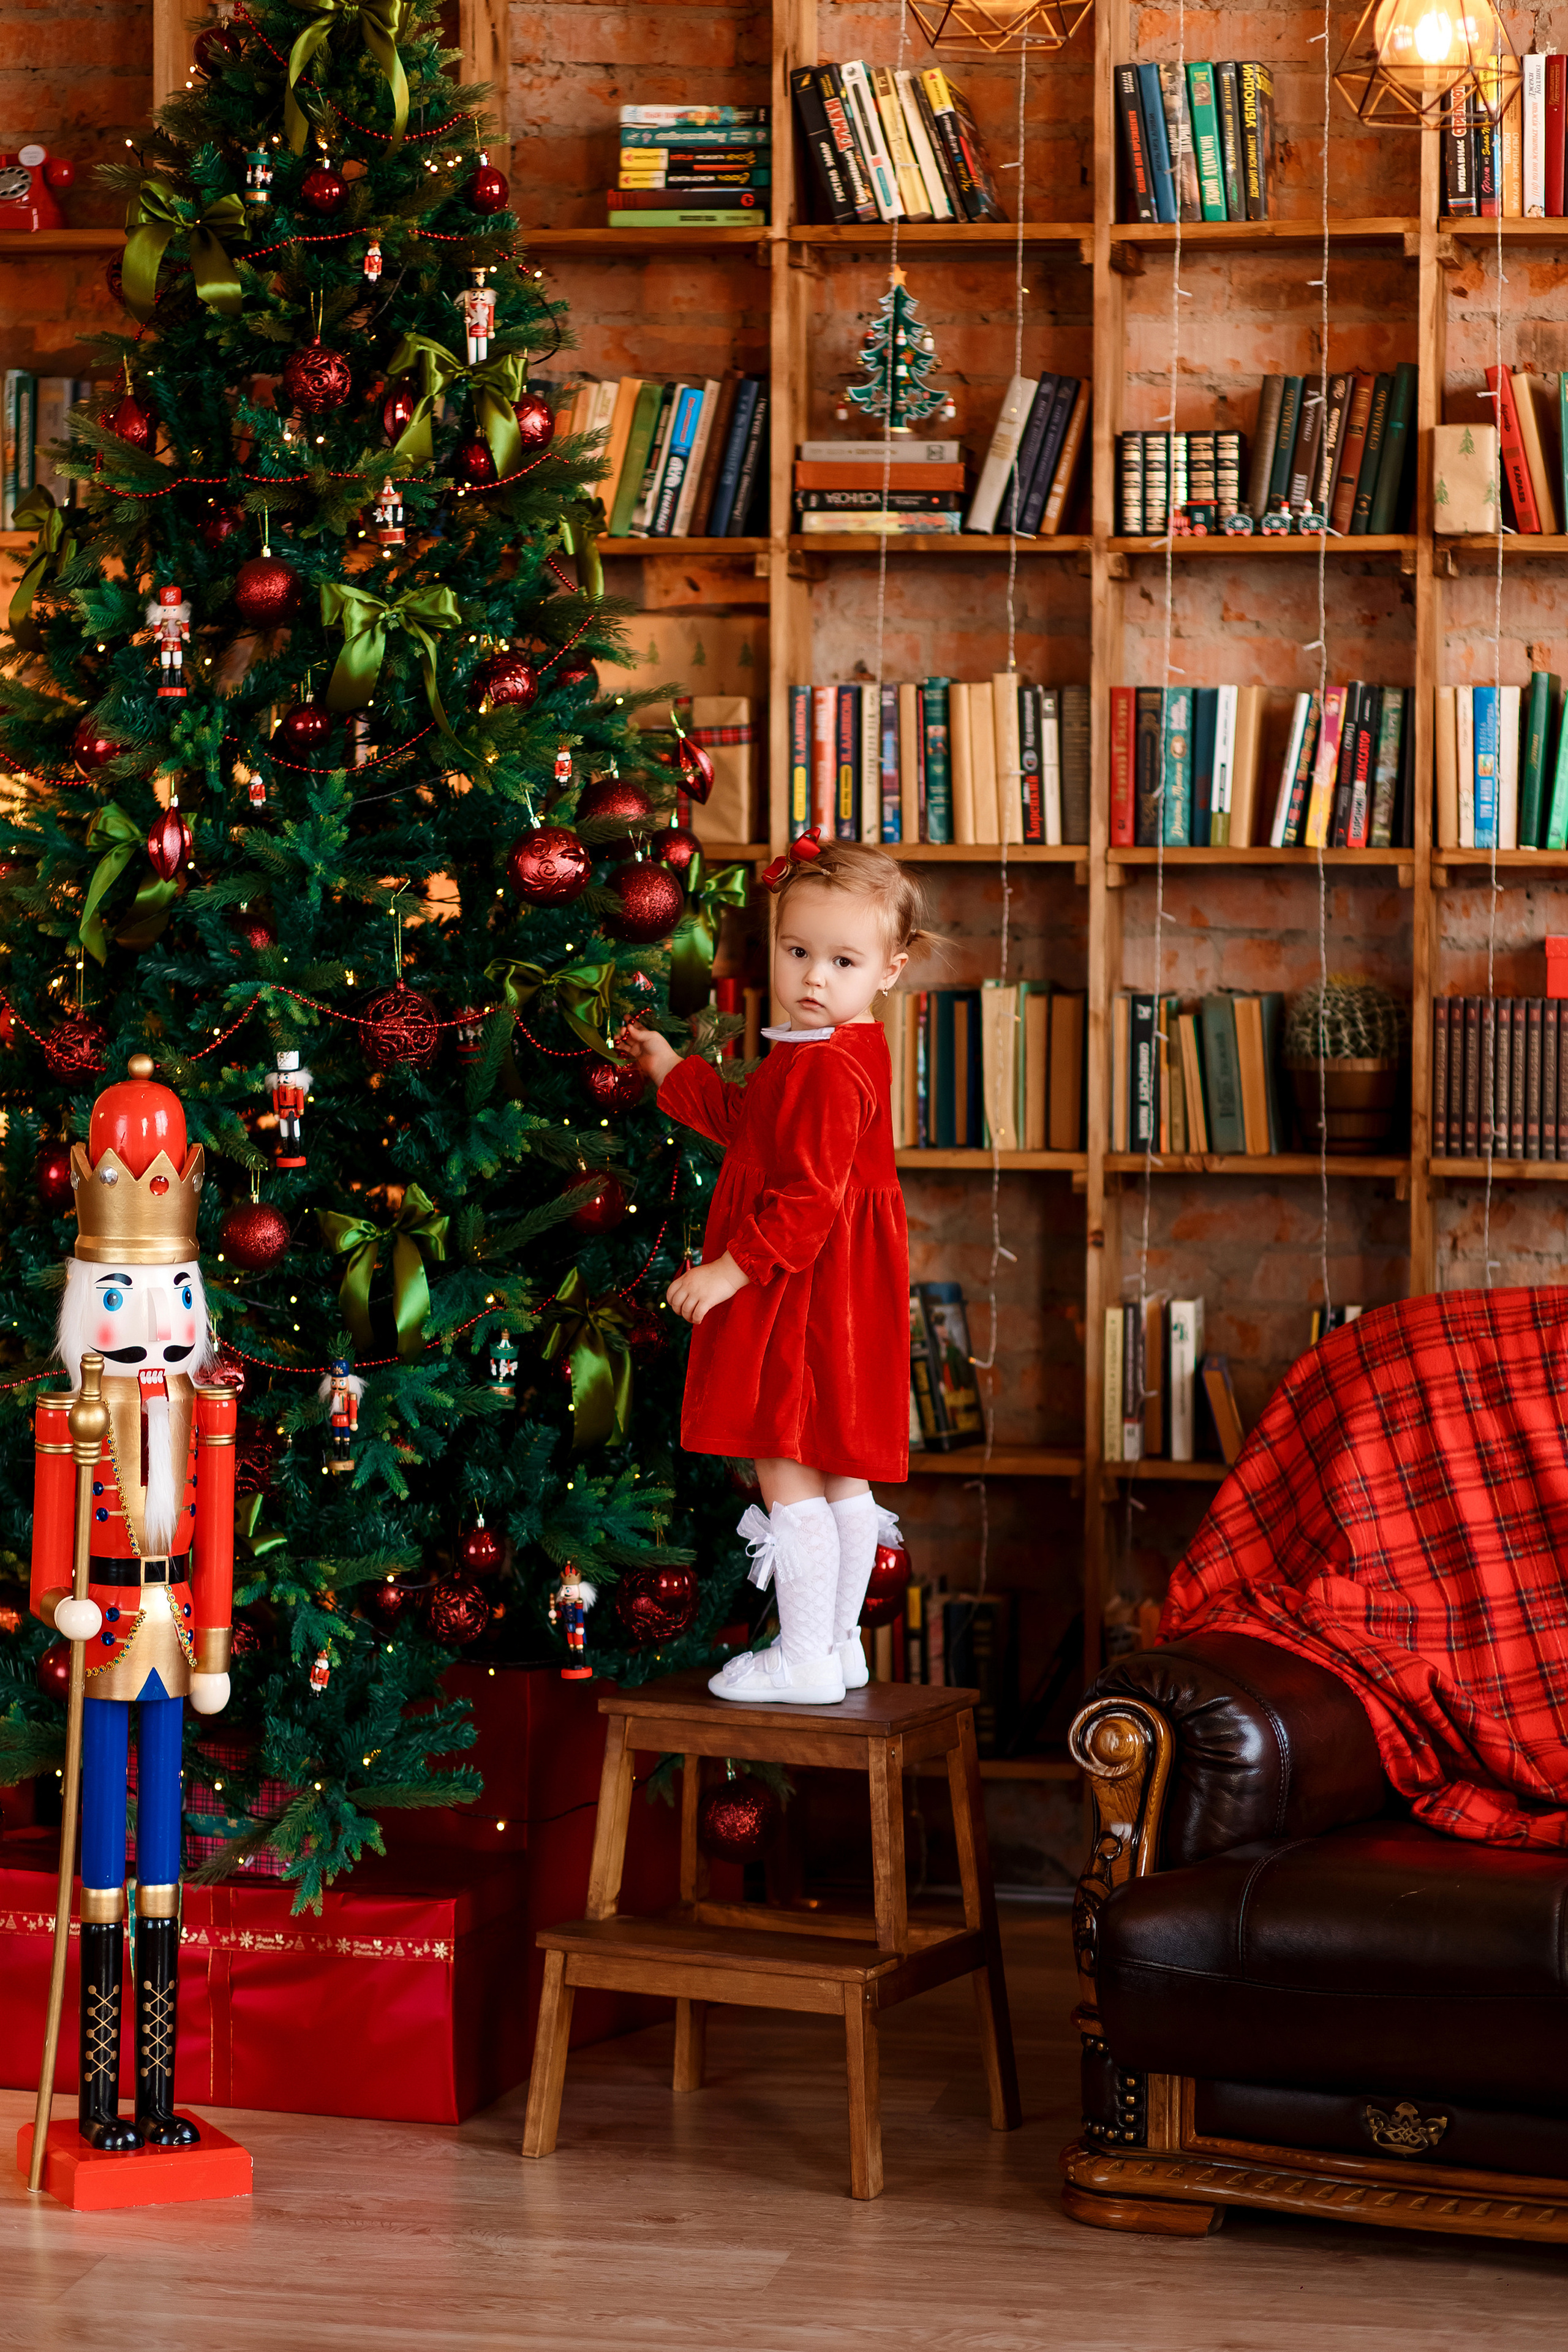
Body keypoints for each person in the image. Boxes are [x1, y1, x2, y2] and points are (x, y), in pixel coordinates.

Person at [617, 834, 925, 1703]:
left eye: (842, 960)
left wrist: (729, 1270)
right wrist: (676, 1073)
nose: (813, 977)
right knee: (837, 1467)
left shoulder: (828, 1068)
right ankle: (836, 1646)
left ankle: (804, 1656)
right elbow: (752, 1129)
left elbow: (808, 1201)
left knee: (783, 1458)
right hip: (836, 1291)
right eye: (798, 953)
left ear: (889, 971)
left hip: (800, 1286)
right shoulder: (821, 1047)